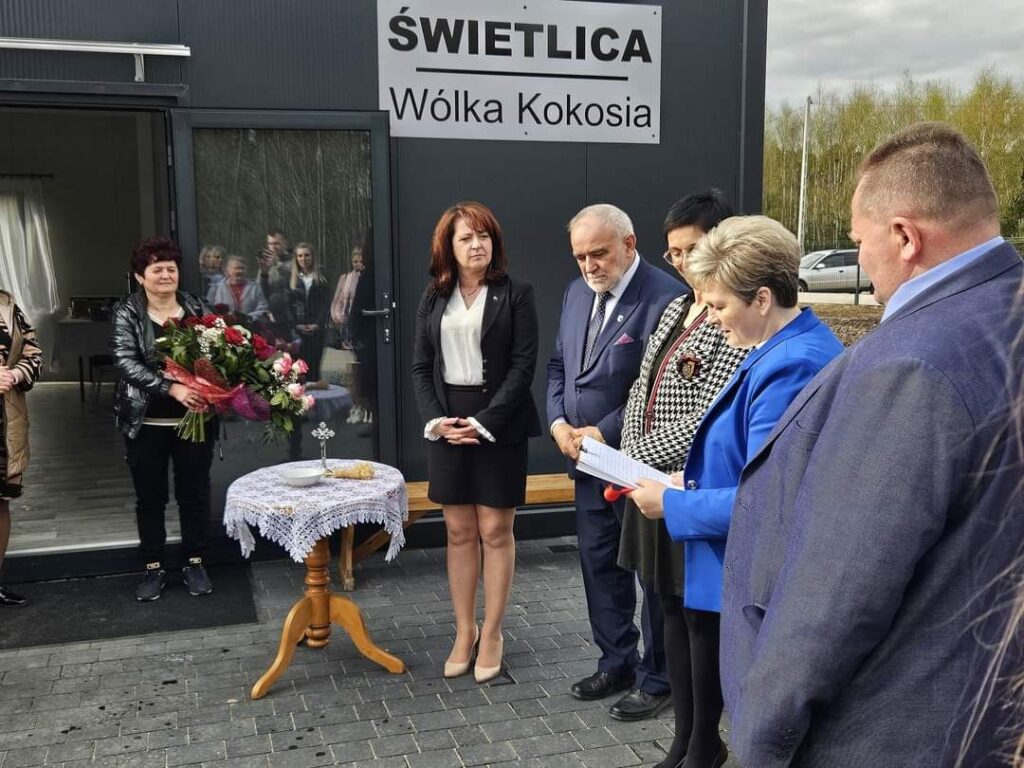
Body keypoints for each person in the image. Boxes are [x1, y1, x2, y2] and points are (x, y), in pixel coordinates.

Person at [714, 123, 1024, 766]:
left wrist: (759, 740)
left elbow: (836, 593)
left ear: (906, 237)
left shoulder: (909, 365)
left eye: (859, 242)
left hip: (893, 731)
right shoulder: (1003, 315)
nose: (861, 261)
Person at [631, 214, 842, 767]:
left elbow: (772, 500)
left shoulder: (790, 365)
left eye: (720, 306)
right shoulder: (777, 346)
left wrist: (672, 501)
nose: (714, 318)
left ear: (763, 298)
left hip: (759, 577)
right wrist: (688, 478)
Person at [616, 191, 748, 765]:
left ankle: (704, 743)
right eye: (672, 254)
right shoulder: (675, 309)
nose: (682, 264)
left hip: (684, 485)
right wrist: (623, 453)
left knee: (698, 618)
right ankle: (682, 738)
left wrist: (636, 457)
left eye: (691, 250)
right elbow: (641, 388)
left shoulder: (728, 313)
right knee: (665, 608)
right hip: (648, 482)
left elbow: (708, 415)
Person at [546, 203, 683, 718]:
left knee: (650, 575)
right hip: (583, 462)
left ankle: (657, 677)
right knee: (599, 564)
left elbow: (657, 392)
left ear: (629, 244)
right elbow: (560, 365)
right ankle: (616, 661)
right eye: (580, 256)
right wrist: (558, 423)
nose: (588, 266)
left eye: (598, 254)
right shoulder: (577, 292)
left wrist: (599, 432)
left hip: (637, 464)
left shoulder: (666, 298)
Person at [412, 201, 540, 684]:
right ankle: (463, 631)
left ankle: (493, 632)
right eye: (465, 237)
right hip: (446, 425)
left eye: (483, 236)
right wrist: (437, 421)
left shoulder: (517, 294)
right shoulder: (433, 296)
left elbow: (523, 366)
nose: (476, 245)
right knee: (460, 532)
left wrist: (484, 421)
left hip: (499, 424)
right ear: (448, 245)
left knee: (494, 532)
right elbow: (422, 367)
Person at [111, 236, 217, 602]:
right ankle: (153, 566)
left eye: (171, 268)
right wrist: (171, 388)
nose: (165, 275)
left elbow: (217, 354)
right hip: (147, 423)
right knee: (151, 498)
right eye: (156, 269)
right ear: (140, 277)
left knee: (194, 494)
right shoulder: (127, 312)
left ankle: (194, 561)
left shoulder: (196, 306)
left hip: (195, 421)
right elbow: (125, 362)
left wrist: (213, 383)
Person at [0, 290, 42, 608]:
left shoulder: (7, 304)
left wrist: (16, 373)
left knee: (0, 504)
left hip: (6, 425)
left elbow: (34, 354)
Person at [289, 242, 330, 382]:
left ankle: (315, 401)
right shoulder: (292, 280)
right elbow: (287, 306)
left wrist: (317, 324)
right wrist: (296, 325)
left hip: (317, 331)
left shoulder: (321, 278)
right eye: (300, 255)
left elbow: (326, 304)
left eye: (307, 255)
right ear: (296, 258)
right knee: (297, 371)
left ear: (312, 257)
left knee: (313, 371)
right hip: (297, 332)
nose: (303, 258)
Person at [206, 255, 270, 320]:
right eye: (236, 268)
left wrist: (246, 318)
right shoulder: (216, 288)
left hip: (251, 326)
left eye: (242, 268)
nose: (240, 271)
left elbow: (262, 308)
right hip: (225, 327)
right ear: (228, 270)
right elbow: (208, 310)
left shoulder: (255, 288)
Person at [257, 228, 293, 341]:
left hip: (291, 317)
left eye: (277, 243)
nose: (273, 247)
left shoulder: (295, 260)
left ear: (285, 243)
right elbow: (261, 292)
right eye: (270, 243)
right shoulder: (266, 263)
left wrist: (278, 264)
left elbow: (297, 280)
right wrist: (263, 274)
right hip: (272, 318)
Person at [330, 246, 366, 350]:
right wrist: (338, 315)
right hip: (347, 318)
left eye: (361, 261)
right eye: (355, 261)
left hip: (363, 318)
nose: (358, 264)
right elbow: (338, 299)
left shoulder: (369, 277)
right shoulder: (346, 278)